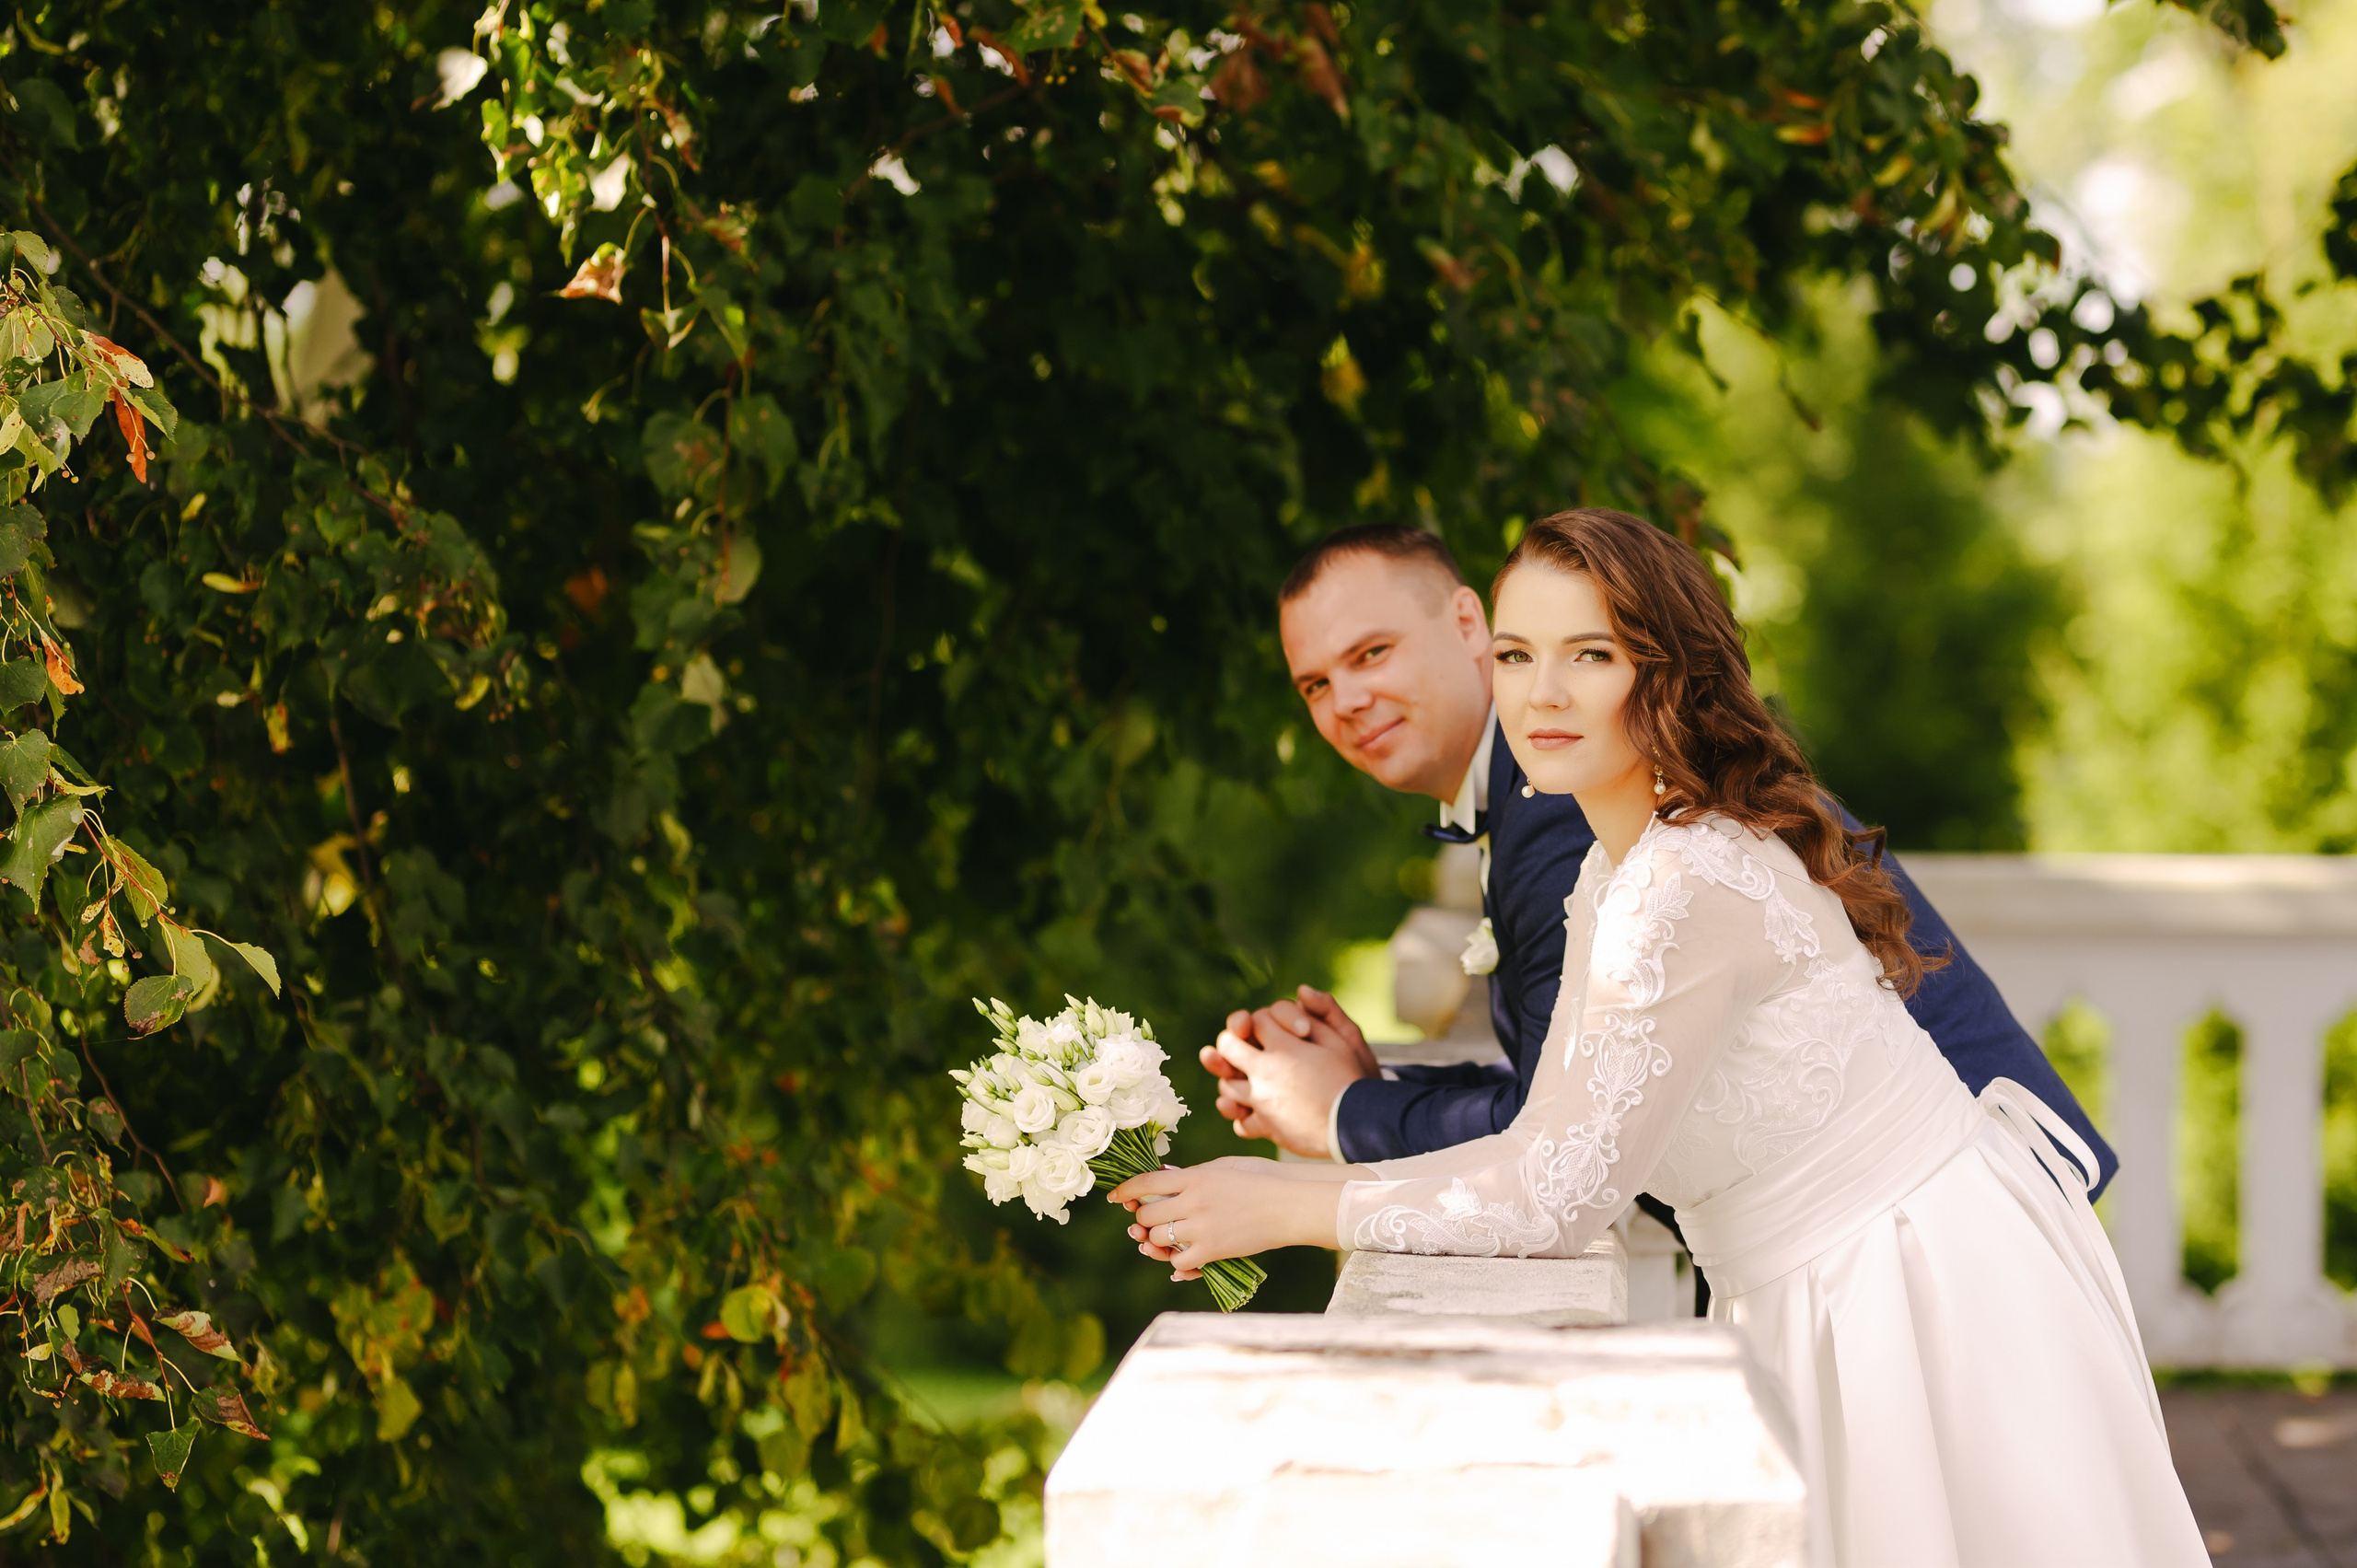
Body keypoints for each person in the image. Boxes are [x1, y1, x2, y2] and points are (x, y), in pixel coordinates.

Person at [1113, 510, 2203, 1566]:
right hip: (1813, 1279)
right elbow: (1570, 1108)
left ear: (1665, 670)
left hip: (1906, 1281)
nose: (1540, 693)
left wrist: (1285, 1201)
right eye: (1517, 654)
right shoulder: (1619, 860)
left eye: (1587, 654)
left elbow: (1558, 1187)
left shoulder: (1675, 883)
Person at [1203, 525, 2114, 1211]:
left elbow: (1555, 1149)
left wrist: (1343, 1115)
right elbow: (1587, 1081)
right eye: (1316, 684)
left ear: (1468, 621)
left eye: (1370, 652)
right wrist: (1383, 1083)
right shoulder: (1542, 790)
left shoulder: (1569, 799)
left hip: (1935, 1224)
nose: (1347, 699)